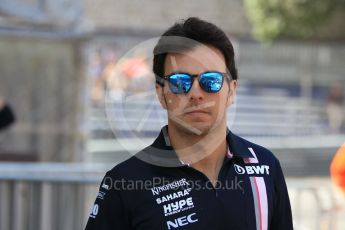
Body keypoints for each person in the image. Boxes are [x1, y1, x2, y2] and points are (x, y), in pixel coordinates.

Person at [85, 17, 293, 230]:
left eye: (211, 80)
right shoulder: (124, 184)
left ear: (231, 91)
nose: (195, 93)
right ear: (161, 94)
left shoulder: (266, 166)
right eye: (179, 82)